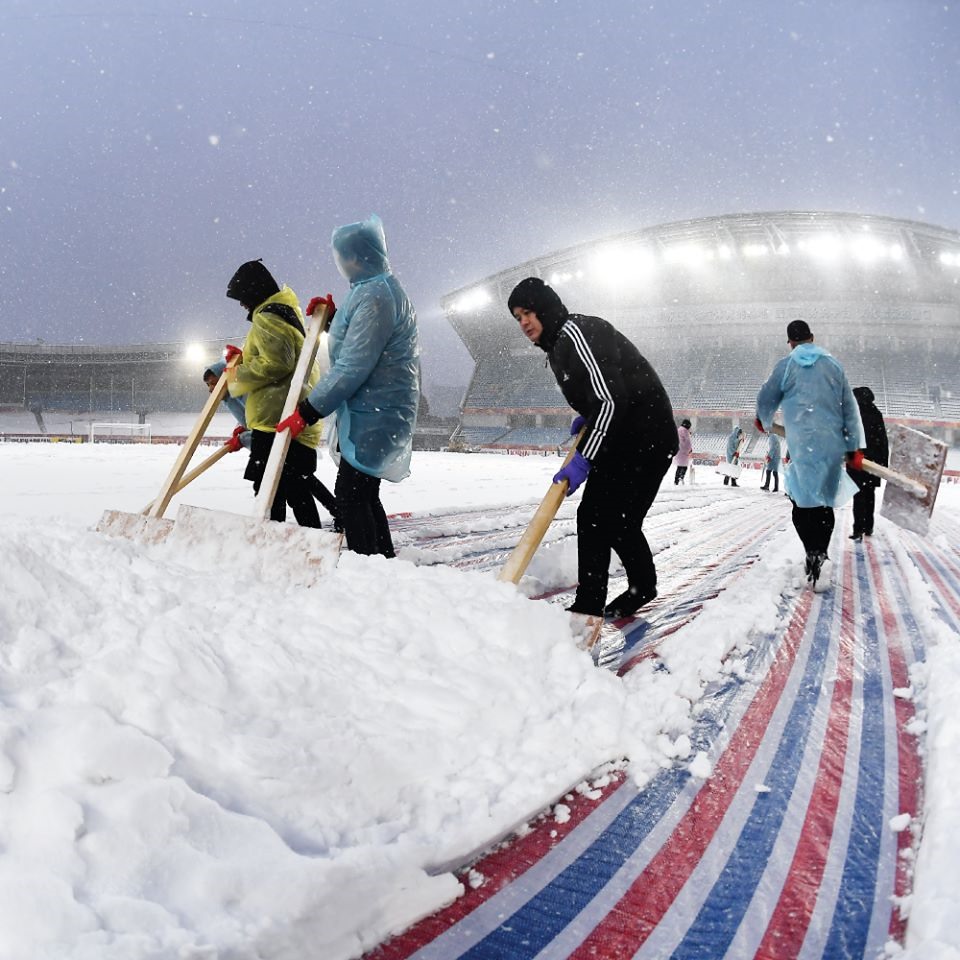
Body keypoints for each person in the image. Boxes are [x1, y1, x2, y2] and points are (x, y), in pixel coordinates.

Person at [507, 277, 677, 619]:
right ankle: (628, 591)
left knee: (609, 521)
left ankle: (593, 605)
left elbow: (612, 400)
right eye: (517, 317)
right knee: (603, 519)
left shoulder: (575, 334)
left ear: (545, 308)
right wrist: (588, 418)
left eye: (527, 312)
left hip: (646, 439)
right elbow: (603, 396)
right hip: (623, 437)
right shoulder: (557, 347)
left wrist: (584, 458)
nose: (523, 322)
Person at [276, 215, 420, 558]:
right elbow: (360, 342)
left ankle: (366, 569)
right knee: (363, 494)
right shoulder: (371, 290)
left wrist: (308, 411)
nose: (341, 263)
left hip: (377, 412)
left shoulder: (376, 296)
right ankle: (382, 564)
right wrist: (332, 319)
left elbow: (354, 364)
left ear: (359, 256)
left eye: (344, 256)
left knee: (352, 496)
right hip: (374, 411)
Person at [755, 319, 864, 586]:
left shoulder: (786, 366)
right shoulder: (834, 366)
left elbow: (766, 398)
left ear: (790, 342)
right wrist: (854, 448)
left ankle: (811, 551)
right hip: (830, 445)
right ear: (812, 337)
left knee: (801, 504)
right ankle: (821, 553)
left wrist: (763, 419)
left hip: (801, 445)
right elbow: (850, 409)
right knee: (824, 502)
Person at [224, 259, 325, 528]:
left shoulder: (268, 317)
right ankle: (309, 540)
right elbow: (277, 357)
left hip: (275, 421)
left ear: (253, 292)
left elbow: (277, 362)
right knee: (293, 490)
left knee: (274, 491)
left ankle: (276, 541)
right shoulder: (283, 314)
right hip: (283, 417)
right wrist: (244, 358)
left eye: (243, 298)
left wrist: (235, 375)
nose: (243, 305)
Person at [203, 361, 339, 526]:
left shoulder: (253, 389)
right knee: (300, 486)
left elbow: (266, 426)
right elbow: (252, 421)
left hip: (290, 442)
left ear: (226, 377)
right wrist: (243, 428)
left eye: (213, 383)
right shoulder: (238, 394)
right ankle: (334, 515)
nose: (211, 389)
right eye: (209, 385)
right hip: (285, 445)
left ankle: (293, 533)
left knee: (286, 493)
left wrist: (243, 438)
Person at [846, 386, 889, 540]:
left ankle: (858, 529)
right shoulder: (876, 414)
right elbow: (883, 440)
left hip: (857, 461)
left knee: (858, 496)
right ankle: (868, 527)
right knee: (869, 495)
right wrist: (883, 464)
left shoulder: (853, 414)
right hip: (873, 463)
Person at [674, 418, 693, 485]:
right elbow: (687, 443)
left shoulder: (679, 430)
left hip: (678, 450)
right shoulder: (685, 431)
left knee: (679, 466)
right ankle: (681, 478)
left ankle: (676, 480)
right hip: (683, 451)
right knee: (684, 466)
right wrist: (689, 449)